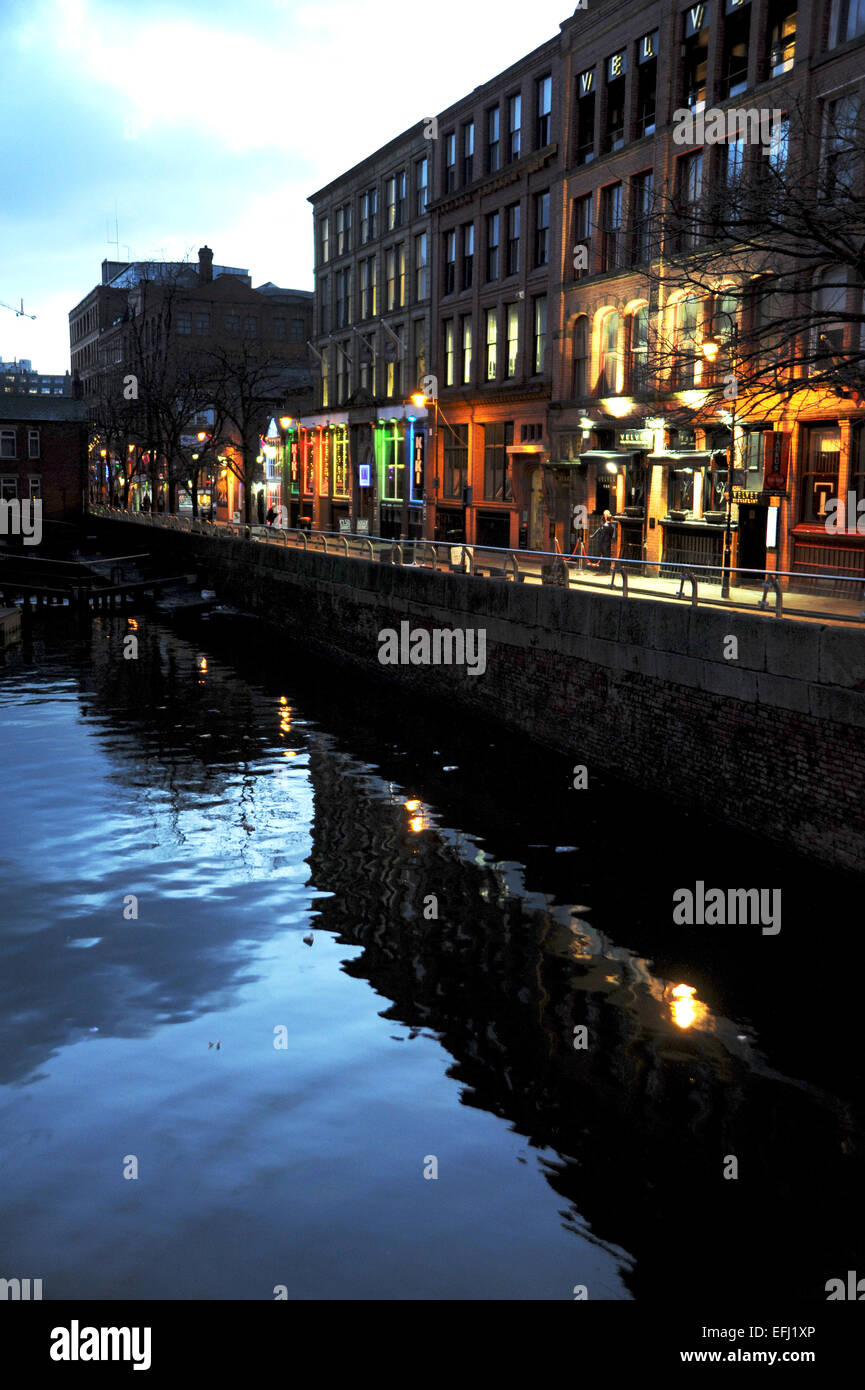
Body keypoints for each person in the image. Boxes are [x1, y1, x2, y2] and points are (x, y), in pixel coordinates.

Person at [598, 509, 617, 574]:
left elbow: (602, 536)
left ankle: (605, 570)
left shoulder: (605, 526)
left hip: (603, 544)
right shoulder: (612, 527)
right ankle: (607, 570)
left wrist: (599, 542)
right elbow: (611, 536)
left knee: (604, 557)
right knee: (607, 556)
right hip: (608, 543)